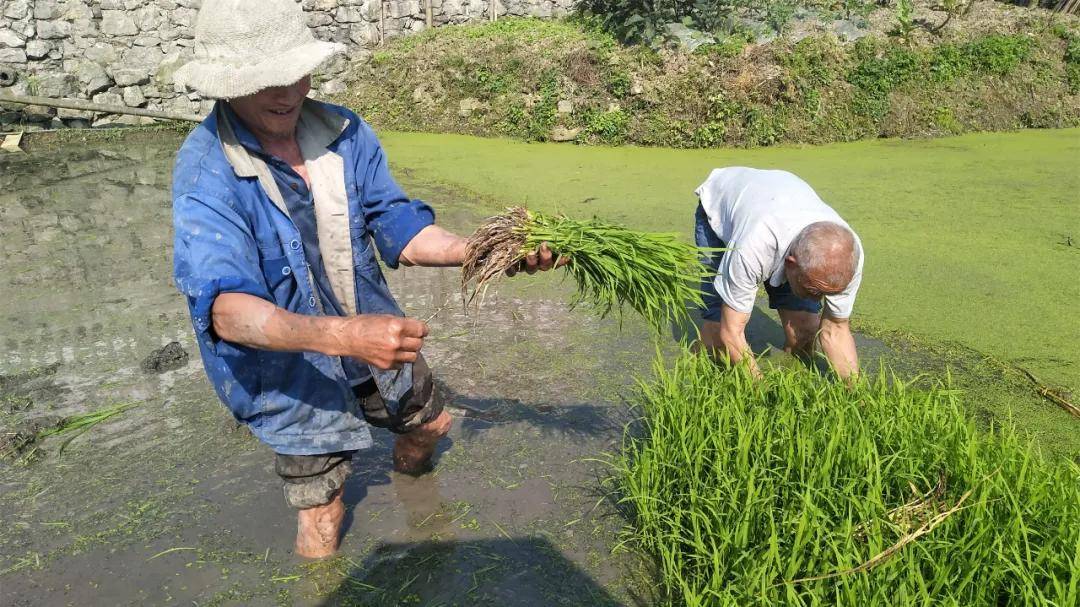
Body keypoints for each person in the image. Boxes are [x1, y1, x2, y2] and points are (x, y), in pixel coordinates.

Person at [170, 0, 561, 559]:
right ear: (228, 85)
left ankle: (417, 502)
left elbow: (399, 227)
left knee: (430, 427)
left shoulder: (345, 133)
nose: (286, 93)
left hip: (374, 338)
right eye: (265, 82)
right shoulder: (207, 170)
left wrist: (484, 250)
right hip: (289, 365)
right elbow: (226, 311)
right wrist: (344, 337)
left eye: (295, 75)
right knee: (324, 515)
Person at [693, 167, 864, 380]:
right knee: (718, 333)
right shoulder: (752, 247)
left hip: (781, 207)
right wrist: (761, 392)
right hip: (721, 207)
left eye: (827, 293)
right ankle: (699, 375)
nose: (820, 300)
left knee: (804, 331)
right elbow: (730, 331)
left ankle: (793, 380)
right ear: (791, 264)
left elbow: (836, 330)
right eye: (814, 290)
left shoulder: (847, 253)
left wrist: (855, 393)